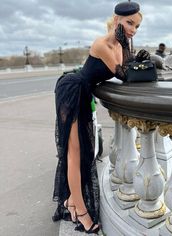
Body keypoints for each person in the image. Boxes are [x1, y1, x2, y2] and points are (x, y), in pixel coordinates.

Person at [52, 1, 150, 234]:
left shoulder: (119, 45)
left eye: (136, 26)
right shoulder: (103, 44)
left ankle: (72, 201)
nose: (133, 30)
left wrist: (141, 59)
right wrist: (132, 56)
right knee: (74, 152)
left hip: (83, 95)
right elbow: (125, 75)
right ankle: (82, 212)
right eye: (129, 23)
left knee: (86, 151)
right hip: (72, 91)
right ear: (116, 20)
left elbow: (128, 68)